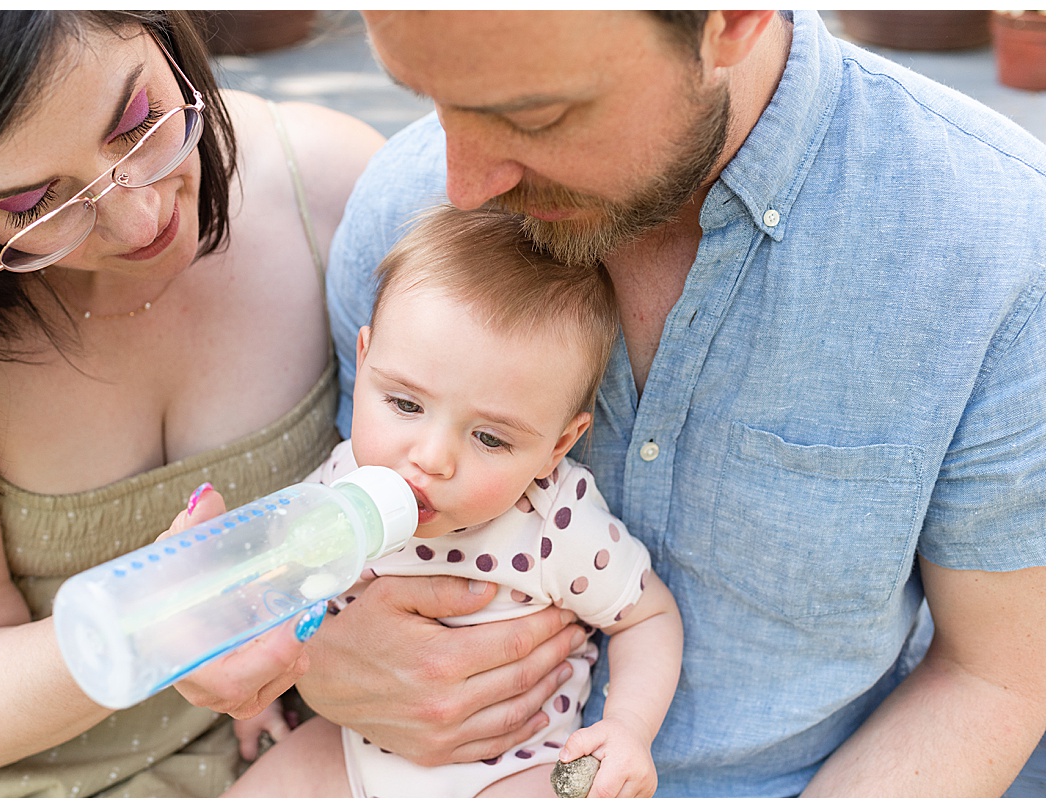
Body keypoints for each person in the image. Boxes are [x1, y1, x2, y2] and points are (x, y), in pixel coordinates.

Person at [291, 10, 1046, 798]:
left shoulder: (999, 243)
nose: (462, 184)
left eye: (534, 115)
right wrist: (312, 662)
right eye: (428, 96)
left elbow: (994, 676)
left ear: (731, 23)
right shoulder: (403, 215)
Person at [0, 11, 384, 797]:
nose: (142, 218)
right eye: (33, 205)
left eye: (139, 123)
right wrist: (160, 626)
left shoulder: (335, 190)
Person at [223, 205, 683, 798]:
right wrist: (258, 689)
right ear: (363, 365)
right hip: (349, 748)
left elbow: (647, 616)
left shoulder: (553, 522)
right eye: (406, 405)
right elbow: (276, 590)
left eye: (490, 437)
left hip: (511, 769)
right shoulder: (339, 486)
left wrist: (627, 728)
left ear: (556, 446)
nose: (433, 459)